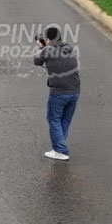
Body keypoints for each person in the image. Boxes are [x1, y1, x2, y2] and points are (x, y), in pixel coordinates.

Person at [32, 25, 80, 161]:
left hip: (59, 92)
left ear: (48, 39)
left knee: (53, 120)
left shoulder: (48, 49)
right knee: (65, 120)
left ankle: (61, 151)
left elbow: (36, 61)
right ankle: (59, 147)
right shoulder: (69, 47)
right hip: (75, 91)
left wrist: (41, 47)